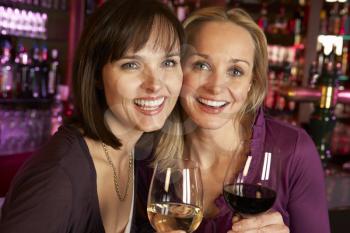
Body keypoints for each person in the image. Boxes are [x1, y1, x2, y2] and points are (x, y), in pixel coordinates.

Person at [134, 7, 330, 233]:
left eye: (236, 71)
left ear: (251, 84)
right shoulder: (145, 150)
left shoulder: (294, 150)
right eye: (201, 65)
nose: (216, 87)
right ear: (177, 69)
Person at [0, 0, 184, 232]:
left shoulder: (137, 155)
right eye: (131, 65)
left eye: (168, 62)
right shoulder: (58, 179)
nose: (155, 85)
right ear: (97, 74)